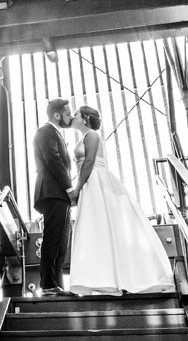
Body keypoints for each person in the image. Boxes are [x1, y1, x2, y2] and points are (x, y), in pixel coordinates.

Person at [68, 105, 174, 296]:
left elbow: (90, 161)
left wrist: (77, 189)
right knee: (95, 228)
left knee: (99, 225)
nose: (72, 116)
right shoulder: (84, 136)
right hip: (89, 182)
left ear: (85, 118)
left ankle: (117, 277)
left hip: (95, 180)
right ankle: (102, 277)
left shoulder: (91, 135)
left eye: (75, 114)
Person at [32, 98, 77, 295]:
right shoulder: (46, 131)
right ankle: (48, 285)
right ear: (57, 115)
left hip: (60, 195)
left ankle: (57, 285)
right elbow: (53, 159)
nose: (71, 117)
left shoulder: (55, 133)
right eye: (68, 114)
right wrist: (69, 188)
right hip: (52, 192)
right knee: (53, 237)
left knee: (62, 241)